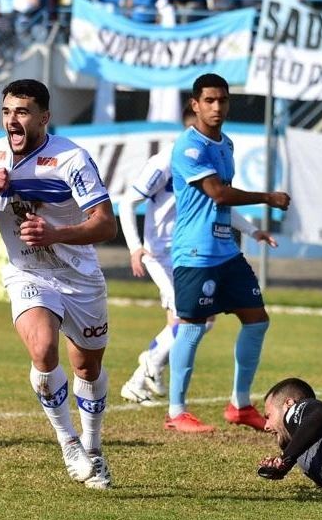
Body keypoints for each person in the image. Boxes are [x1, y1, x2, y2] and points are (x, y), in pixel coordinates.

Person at [0, 78, 117, 489]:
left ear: (44, 117)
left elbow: (106, 224)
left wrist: (55, 233)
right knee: (42, 348)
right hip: (28, 272)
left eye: (22, 112)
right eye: (6, 112)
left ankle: (93, 447)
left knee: (87, 366)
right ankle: (67, 441)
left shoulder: (71, 158)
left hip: (80, 277)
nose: (11, 121)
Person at [119, 105, 277, 405]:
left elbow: (219, 205)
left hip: (192, 248)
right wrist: (135, 247)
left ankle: (145, 374)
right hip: (163, 251)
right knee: (186, 318)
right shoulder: (166, 159)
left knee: (200, 320)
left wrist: (253, 230)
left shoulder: (211, 156)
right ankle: (145, 372)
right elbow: (128, 201)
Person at [165, 73, 290, 433]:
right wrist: (268, 197)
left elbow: (223, 203)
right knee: (192, 328)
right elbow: (218, 193)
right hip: (195, 253)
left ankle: (239, 404)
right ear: (195, 104)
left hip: (226, 251)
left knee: (257, 319)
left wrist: (252, 230)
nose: (216, 107)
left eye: (222, 100)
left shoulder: (226, 145)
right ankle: (176, 413)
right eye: (209, 100)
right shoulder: (189, 147)